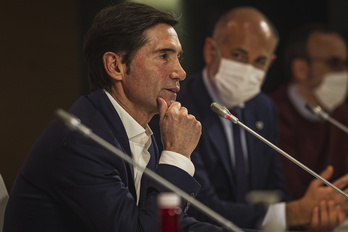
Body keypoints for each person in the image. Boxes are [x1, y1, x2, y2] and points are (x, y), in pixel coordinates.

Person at [2, 3, 250, 232]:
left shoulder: (136, 129)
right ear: (115, 66)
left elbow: (168, 224)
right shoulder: (82, 139)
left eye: (178, 57)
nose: (181, 72)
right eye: (164, 56)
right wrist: (176, 156)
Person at [150, 6, 348, 231]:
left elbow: (276, 191)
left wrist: (310, 216)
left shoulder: (264, 108)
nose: (247, 69)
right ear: (210, 50)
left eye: (259, 61)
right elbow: (199, 206)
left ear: (270, 64)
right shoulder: (176, 107)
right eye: (238, 55)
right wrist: (291, 214)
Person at [269, 23, 348, 200]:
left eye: (346, 64)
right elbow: (286, 192)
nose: (344, 72)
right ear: (301, 69)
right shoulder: (270, 112)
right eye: (334, 63)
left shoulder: (342, 115)